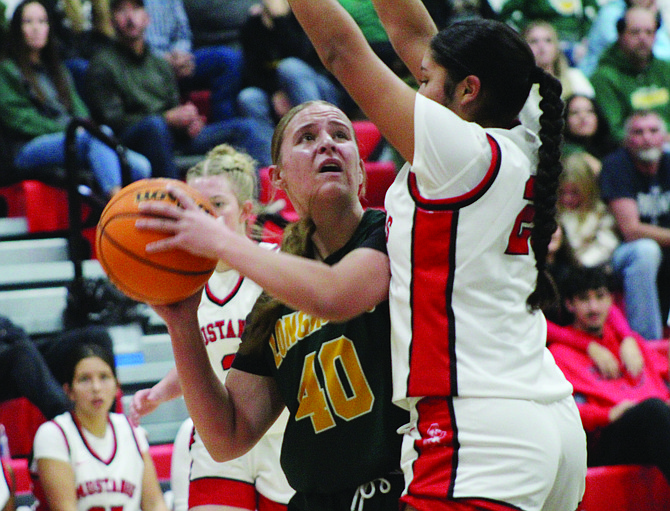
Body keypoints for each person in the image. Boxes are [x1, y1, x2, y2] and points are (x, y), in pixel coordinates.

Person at [279, 0, 588, 509]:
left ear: (468, 91)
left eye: (424, 81)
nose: (417, 89)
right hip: (550, 417)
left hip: (478, 427)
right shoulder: (528, 121)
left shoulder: (460, 154)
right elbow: (413, 29)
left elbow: (339, 51)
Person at [135, 100, 409, 510]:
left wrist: (219, 239)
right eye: (307, 138)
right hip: (317, 499)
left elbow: (335, 295)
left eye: (340, 134)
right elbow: (227, 436)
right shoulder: (275, 298)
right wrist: (182, 325)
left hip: (398, 488)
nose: (327, 145)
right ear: (278, 179)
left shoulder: (393, 234)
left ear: (362, 170)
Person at [129, 144, 294, 511]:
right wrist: (158, 393)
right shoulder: (185, 282)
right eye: (194, 205)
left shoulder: (277, 265)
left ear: (247, 212)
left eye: (217, 205)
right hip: (219, 435)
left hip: (282, 433)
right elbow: (204, 359)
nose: (203, 214)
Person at [85, 0, 273, 180]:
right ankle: (172, 202)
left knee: (245, 130)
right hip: (130, 140)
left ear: (147, 17)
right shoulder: (102, 65)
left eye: (135, 9)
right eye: (121, 11)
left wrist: (188, 123)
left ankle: (255, 206)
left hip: (169, 136)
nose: (130, 17)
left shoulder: (159, 64)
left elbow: (173, 107)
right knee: (154, 127)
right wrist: (166, 119)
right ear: (111, 21)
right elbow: (112, 122)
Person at [0, 0, 151, 199]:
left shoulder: (58, 70)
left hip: (71, 139)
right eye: (28, 22)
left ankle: (140, 212)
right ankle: (116, 205)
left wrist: (81, 127)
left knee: (142, 166)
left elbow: (80, 111)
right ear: (17, 29)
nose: (36, 28)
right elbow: (20, 119)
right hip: (27, 147)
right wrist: (71, 130)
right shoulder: (6, 70)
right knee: (96, 136)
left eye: (42, 21)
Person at [547, 265, 670, 482]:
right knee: (653, 410)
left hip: (657, 424)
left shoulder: (630, 344)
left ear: (611, 301)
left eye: (600, 297)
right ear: (569, 304)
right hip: (608, 437)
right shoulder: (558, 354)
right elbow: (561, 413)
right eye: (584, 299)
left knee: (656, 410)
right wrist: (608, 415)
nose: (593, 307)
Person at [29, 342, 169, 511]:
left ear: (117, 386)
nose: (96, 388)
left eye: (104, 377)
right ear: (69, 391)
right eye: (84, 379)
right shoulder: (53, 434)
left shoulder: (132, 430)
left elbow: (154, 504)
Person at [599, 109, 670, 341]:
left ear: (665, 136)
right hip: (620, 256)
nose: (647, 138)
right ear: (627, 139)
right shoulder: (616, 165)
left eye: (653, 130)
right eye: (638, 132)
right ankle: (649, 344)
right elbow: (631, 230)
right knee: (645, 249)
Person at [237, 0, 346, 131]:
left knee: (290, 67)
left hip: (318, 85)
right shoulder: (252, 25)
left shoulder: (306, 16)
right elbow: (252, 71)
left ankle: (319, 131)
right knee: (249, 97)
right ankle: (270, 149)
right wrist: (275, 92)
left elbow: (305, 57)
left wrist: (280, 19)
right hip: (277, 90)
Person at [142, 0, 244, 124]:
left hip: (178, 57)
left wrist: (180, 55)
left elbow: (183, 33)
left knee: (226, 59)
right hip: (143, 64)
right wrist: (162, 60)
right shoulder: (129, 6)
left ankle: (225, 129)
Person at [0, 315, 114, 421]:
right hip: (9, 367)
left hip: (12, 344)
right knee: (22, 353)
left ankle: (110, 422)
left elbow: (14, 332)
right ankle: (69, 421)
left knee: (97, 336)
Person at [590, 6, 670, 142]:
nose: (643, 38)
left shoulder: (665, 69)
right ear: (620, 35)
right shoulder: (604, 76)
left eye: (649, 32)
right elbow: (615, 131)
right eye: (635, 32)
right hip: (631, 153)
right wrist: (657, 140)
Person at [558, 151, 620, 268]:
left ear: (587, 189)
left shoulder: (600, 213)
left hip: (588, 268)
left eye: (574, 192)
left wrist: (583, 263)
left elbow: (607, 244)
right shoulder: (554, 213)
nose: (567, 198)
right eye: (562, 192)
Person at [579, 0, 670, 78]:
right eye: (635, 32)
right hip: (598, 76)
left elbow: (665, 49)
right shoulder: (610, 12)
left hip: (636, 76)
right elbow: (632, 50)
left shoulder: (650, 14)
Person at [562, 94, 618, 175]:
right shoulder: (564, 153)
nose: (583, 117)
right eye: (574, 113)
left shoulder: (614, 148)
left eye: (589, 111)